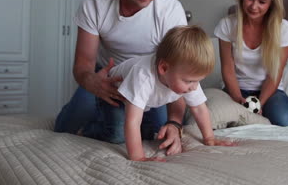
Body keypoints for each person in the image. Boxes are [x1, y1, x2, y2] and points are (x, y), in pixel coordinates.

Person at [54, 0, 188, 156]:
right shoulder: (96, 2)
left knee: (156, 133)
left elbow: (179, 76)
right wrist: (93, 82)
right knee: (64, 128)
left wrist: (175, 125)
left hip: (150, 78)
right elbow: (82, 65)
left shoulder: (171, 12)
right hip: (106, 74)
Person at [82, 26, 235, 161]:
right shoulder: (143, 76)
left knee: (150, 134)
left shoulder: (187, 77)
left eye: (198, 81)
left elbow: (200, 109)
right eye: (189, 81)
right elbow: (133, 121)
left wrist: (209, 138)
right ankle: (88, 129)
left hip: (147, 102)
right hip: (115, 97)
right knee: (117, 134)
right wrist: (138, 157)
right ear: (163, 68)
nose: (194, 87)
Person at [214, 0, 288, 127]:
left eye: (262, 2)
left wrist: (259, 103)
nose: (254, 6)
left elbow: (274, 75)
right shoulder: (227, 25)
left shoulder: (284, 30)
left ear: (271, 4)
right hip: (235, 90)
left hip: (270, 92)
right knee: (212, 120)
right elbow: (228, 70)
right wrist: (237, 98)